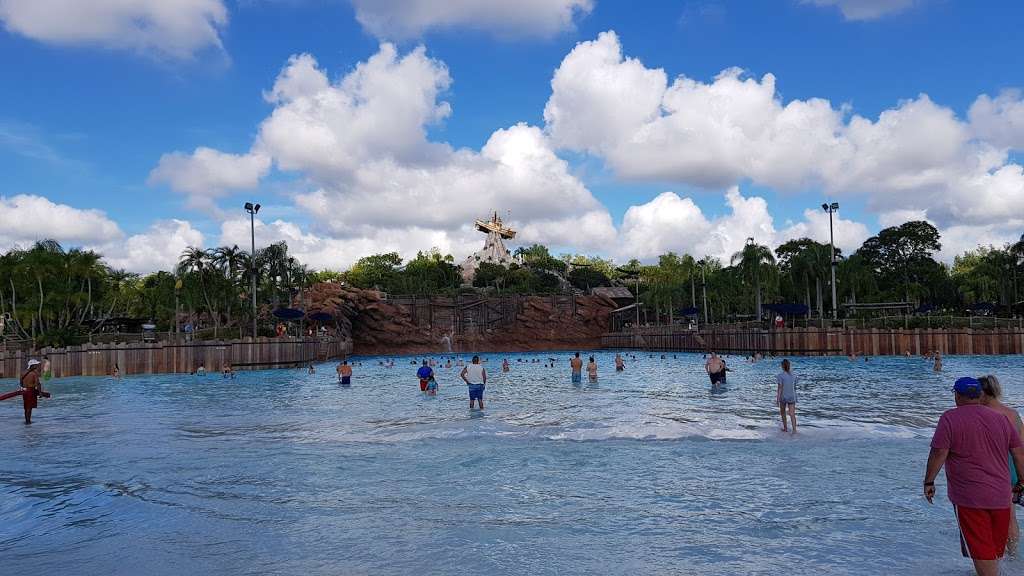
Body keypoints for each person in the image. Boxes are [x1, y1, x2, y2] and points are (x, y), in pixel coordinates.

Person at [924, 377, 1024, 576]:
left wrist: (929, 481)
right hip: (1001, 496)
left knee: (982, 554)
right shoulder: (1003, 418)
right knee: (995, 553)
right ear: (979, 395)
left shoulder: (950, 418)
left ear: (957, 395)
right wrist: (1021, 481)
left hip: (970, 497)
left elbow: (939, 453)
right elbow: (1018, 452)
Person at [980, 374, 1024, 552]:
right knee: (1010, 514)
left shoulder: (982, 415)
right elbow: (1021, 446)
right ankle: (1012, 556)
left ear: (985, 393)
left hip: (991, 467)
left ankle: (992, 557)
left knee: (984, 514)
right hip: (1012, 468)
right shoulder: (1013, 414)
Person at [1, 360, 51, 424]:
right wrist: (40, 393)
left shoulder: (23, 373)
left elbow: (21, 383)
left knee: (26, 407)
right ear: (32, 366)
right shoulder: (34, 373)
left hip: (25, 391)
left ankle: (27, 421)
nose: (37, 366)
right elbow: (38, 384)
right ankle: (28, 422)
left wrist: (24, 387)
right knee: (29, 408)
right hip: (31, 391)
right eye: (36, 365)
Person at [776, 359, 798, 434]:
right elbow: (794, 387)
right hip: (792, 396)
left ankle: (785, 428)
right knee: (792, 414)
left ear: (782, 366)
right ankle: (794, 430)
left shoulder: (780, 376)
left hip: (783, 396)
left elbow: (780, 388)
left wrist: (777, 399)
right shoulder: (794, 375)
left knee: (782, 412)